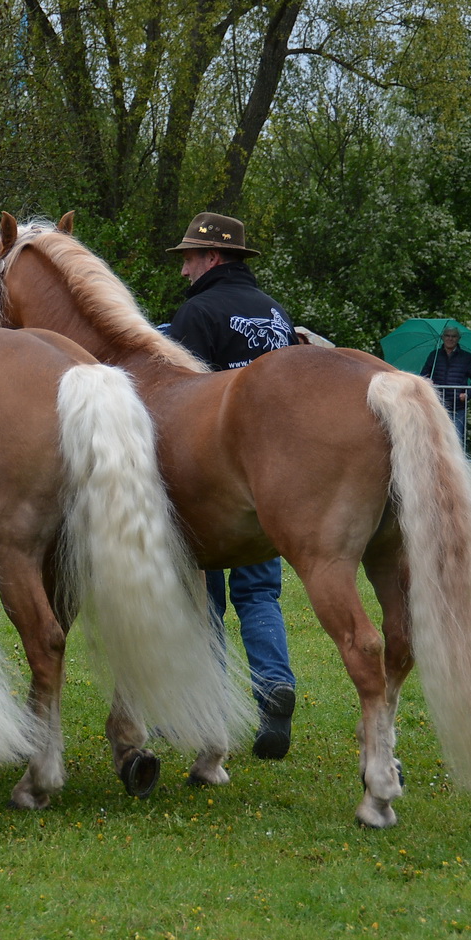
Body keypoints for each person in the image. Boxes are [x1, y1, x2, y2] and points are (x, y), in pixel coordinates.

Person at [167, 211, 298, 760]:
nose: (184, 271)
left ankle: (212, 709)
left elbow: (185, 401)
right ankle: (273, 688)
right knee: (261, 591)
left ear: (213, 257)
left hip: (213, 477)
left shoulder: (197, 313)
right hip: (278, 472)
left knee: (205, 599)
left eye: (190, 259)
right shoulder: (276, 312)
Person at [420, 324, 471, 440]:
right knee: (437, 439)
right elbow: (423, 376)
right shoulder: (434, 356)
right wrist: (426, 382)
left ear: (458, 338)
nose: (450, 338)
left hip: (457, 406)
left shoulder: (466, 357)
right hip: (437, 405)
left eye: (453, 336)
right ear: (443, 337)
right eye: (447, 335)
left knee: (456, 439)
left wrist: (468, 394)